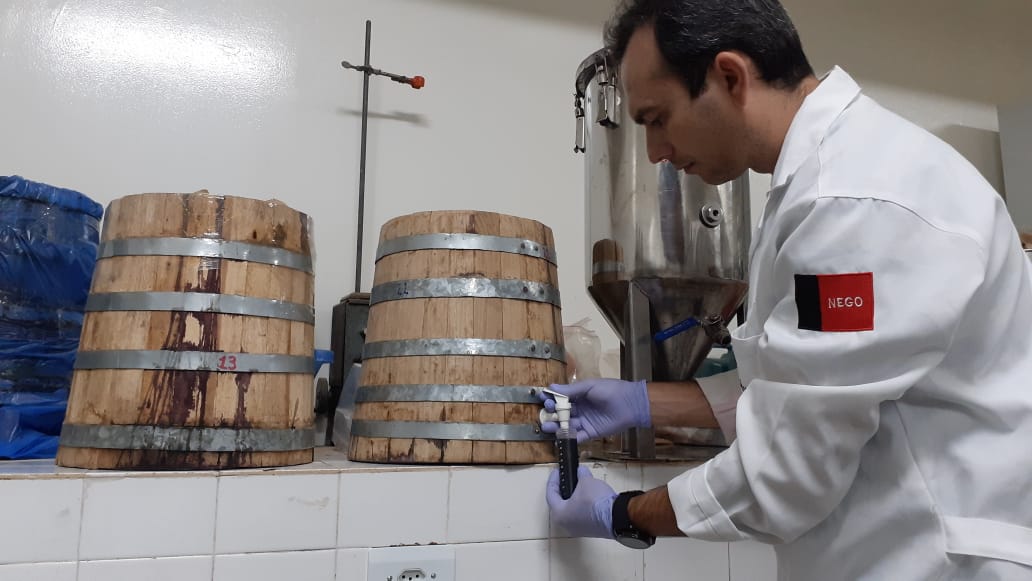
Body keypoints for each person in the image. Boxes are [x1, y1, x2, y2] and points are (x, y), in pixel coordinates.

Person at [540, 0, 1032, 579]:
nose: (655, 152)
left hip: (934, 562)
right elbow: (793, 385)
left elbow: (784, 474)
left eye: (657, 118)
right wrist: (644, 403)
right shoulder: (820, 184)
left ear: (730, 77)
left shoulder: (852, 202)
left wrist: (623, 513)